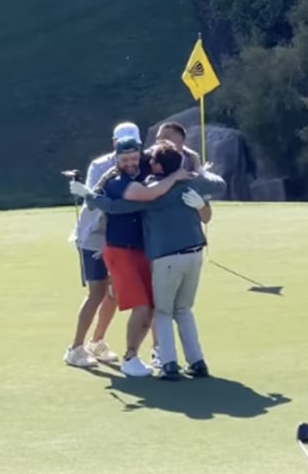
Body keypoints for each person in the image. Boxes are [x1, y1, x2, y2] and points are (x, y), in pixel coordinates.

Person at [94, 140, 225, 379]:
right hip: (195, 255)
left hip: (168, 258)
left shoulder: (152, 190)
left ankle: (169, 364)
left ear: (158, 166)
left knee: (163, 311)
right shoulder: (190, 184)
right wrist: (201, 186)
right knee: (184, 310)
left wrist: (94, 198)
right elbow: (220, 184)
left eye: (151, 159)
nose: (146, 162)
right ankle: (197, 362)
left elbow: (118, 208)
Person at [71, 133, 192, 376]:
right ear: (116, 158)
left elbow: (178, 160)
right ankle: (126, 356)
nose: (130, 163)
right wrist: (175, 179)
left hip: (141, 250)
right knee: (134, 303)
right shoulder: (116, 181)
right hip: (118, 249)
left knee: (150, 305)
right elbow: (146, 197)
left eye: (133, 158)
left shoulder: (145, 169)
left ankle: (129, 350)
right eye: (124, 159)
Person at [63, 120, 141, 369]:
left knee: (115, 292)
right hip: (93, 234)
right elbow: (97, 200)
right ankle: (75, 349)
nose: (129, 152)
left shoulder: (141, 162)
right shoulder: (100, 166)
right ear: (114, 144)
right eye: (121, 144)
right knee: (97, 292)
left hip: (118, 237)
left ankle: (97, 342)